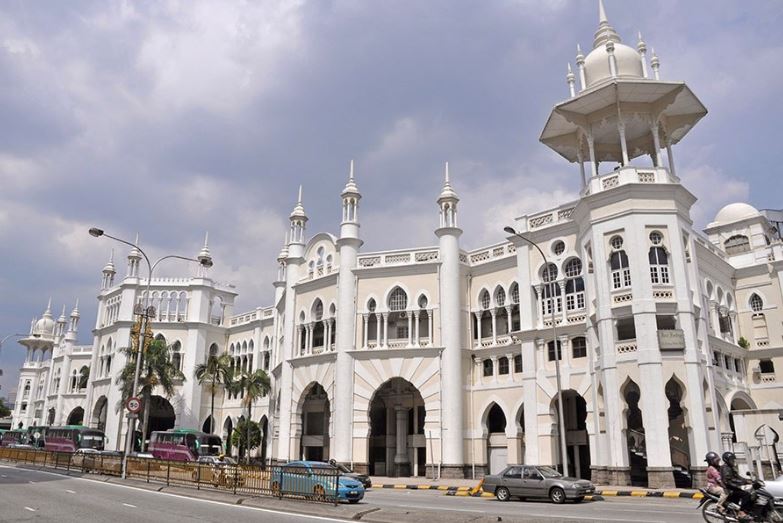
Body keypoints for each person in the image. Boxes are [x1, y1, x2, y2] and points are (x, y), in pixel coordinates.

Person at [720, 451, 752, 518]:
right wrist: (742, 483)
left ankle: (736, 513)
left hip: (733, 487)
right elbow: (728, 481)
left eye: (733, 459)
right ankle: (742, 512)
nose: (733, 461)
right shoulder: (726, 468)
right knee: (746, 494)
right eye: (731, 459)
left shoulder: (730, 467)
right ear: (727, 460)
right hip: (729, 489)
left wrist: (747, 480)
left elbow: (737, 477)